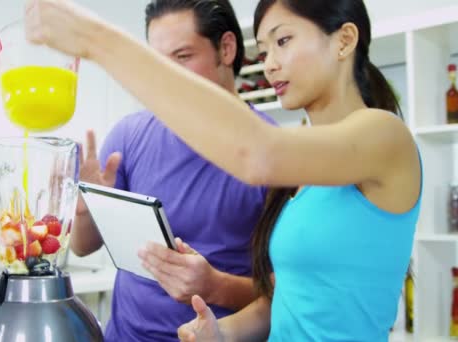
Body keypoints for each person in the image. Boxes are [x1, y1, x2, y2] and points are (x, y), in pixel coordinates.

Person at [25, 0, 423, 340]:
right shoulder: (310, 175)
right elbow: (287, 297)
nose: (270, 64)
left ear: (345, 40)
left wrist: (96, 41)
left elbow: (257, 155)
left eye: (283, 41)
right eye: (265, 50)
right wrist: (223, 332)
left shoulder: (384, 135)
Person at [65, 0, 275, 340]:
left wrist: (215, 286)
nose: (166, 78)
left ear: (226, 48)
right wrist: (85, 209)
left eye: (183, 57)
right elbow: (81, 246)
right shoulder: (128, 137)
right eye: (157, 63)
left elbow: (290, 297)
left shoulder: (278, 155)